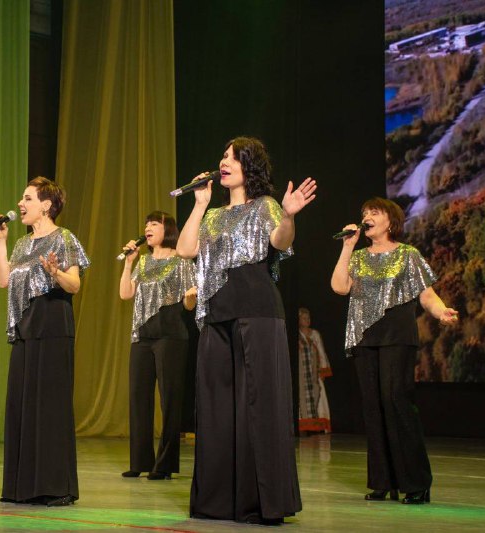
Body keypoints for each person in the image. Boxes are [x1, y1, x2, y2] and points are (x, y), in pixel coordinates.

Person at [176, 136, 314, 524]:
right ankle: (218, 500)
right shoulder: (212, 215)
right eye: (222, 156)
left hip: (257, 310)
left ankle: (261, 501)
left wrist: (289, 216)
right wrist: (199, 203)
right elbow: (186, 250)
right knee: (217, 406)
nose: (223, 162)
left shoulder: (265, 206)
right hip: (217, 313)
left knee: (258, 404)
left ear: (248, 166)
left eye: (232, 158)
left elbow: (278, 242)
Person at [331, 197, 458, 505]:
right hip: (365, 337)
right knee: (373, 407)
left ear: (391, 221)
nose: (367, 216)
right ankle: (382, 481)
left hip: (397, 336)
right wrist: (347, 247)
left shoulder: (407, 254)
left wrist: (441, 311)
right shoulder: (358, 257)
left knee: (395, 401)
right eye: (364, 212)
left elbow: (426, 295)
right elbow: (339, 287)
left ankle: (417, 482)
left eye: (374, 212)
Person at [0, 176, 90, 507]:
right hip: (26, 327)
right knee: (22, 404)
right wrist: (1, 242)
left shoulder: (64, 238)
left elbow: (75, 285)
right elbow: (4, 280)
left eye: (27, 198)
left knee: (50, 408)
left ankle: (57, 486)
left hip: (53, 325)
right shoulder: (22, 244)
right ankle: (22, 486)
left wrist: (55, 273)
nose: (20, 204)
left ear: (46, 205)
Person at [118, 211, 197, 481]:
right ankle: (139, 461)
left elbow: (189, 304)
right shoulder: (142, 262)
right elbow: (125, 294)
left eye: (154, 224)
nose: (147, 228)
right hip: (142, 336)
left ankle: (164, 465)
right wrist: (128, 263)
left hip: (171, 335)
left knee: (170, 400)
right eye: (146, 224)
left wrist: (191, 298)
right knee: (138, 397)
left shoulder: (181, 260)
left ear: (168, 230)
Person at [298, 307, 332, 435]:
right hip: (301, 374)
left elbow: (322, 353)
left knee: (318, 396)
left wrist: (323, 370)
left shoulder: (315, 334)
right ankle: (303, 426)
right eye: (304, 318)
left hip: (314, 372)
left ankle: (317, 427)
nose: (307, 320)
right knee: (302, 399)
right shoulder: (296, 335)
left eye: (308, 318)